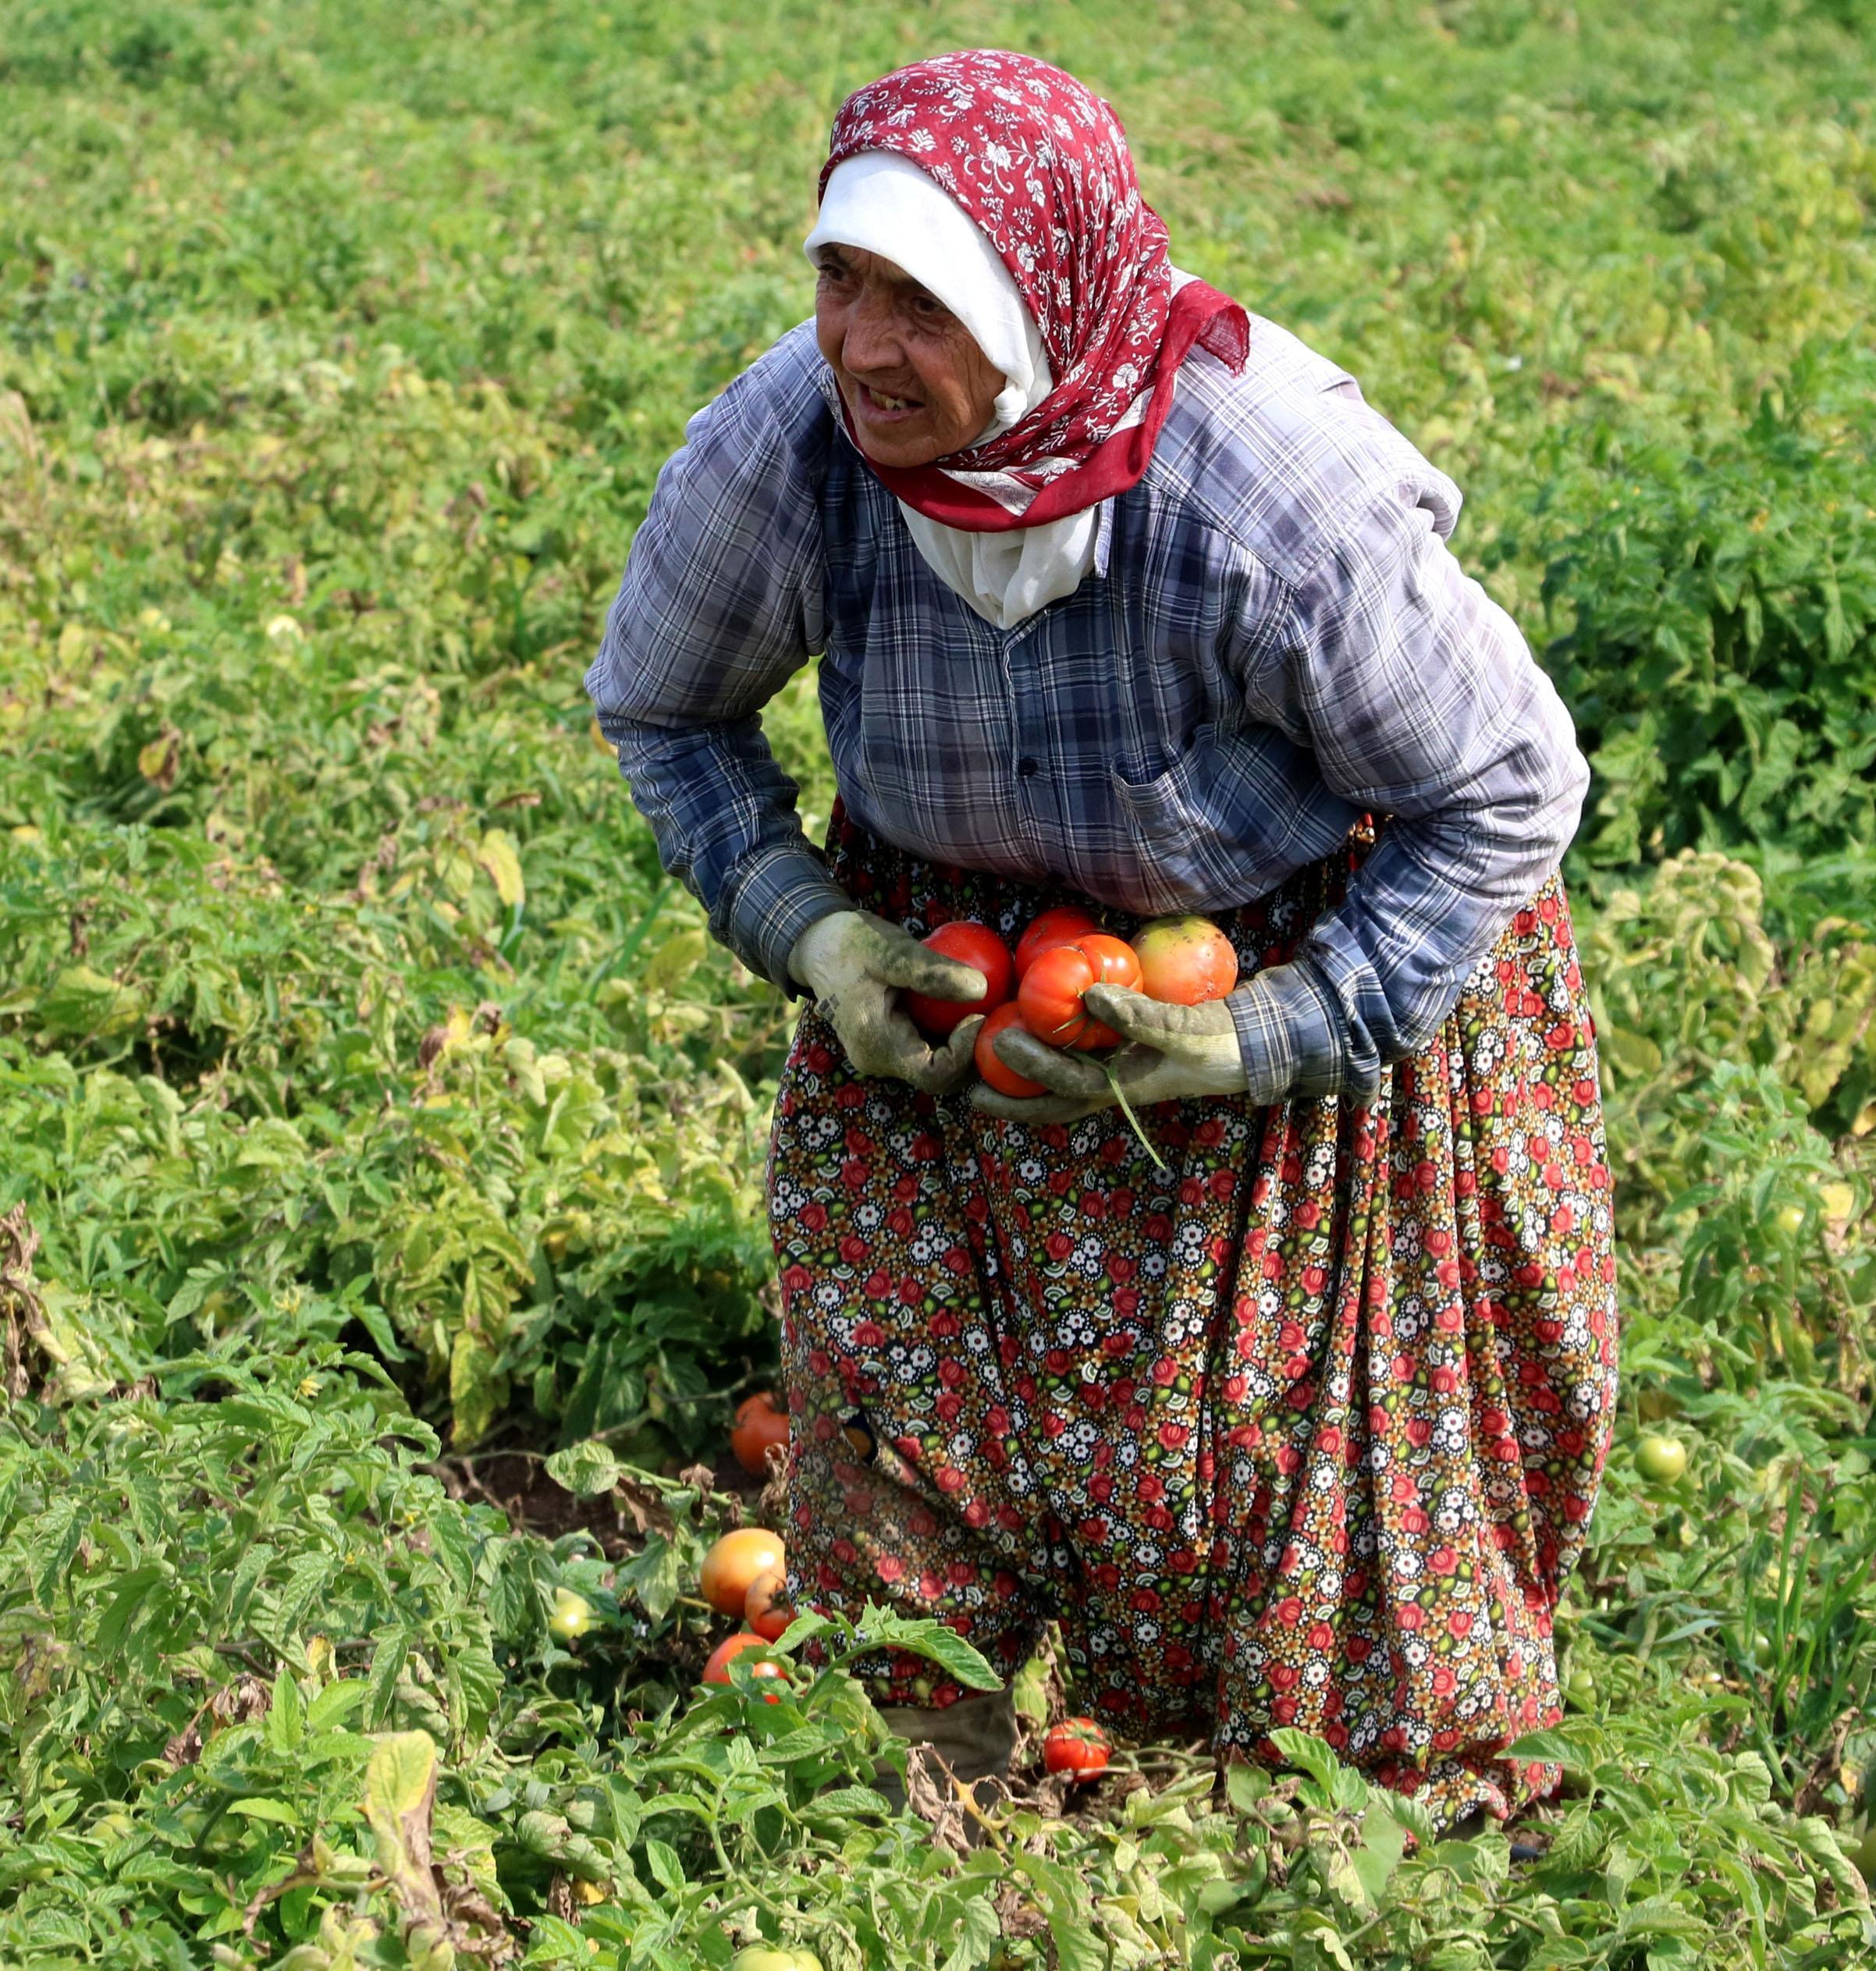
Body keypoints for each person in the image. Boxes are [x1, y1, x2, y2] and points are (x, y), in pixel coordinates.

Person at [585, 48, 1615, 1818]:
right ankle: (932, 1782)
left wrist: (1270, 1029)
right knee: (903, 1370)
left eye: (925, 301)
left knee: (1305, 1436)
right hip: (951, 975)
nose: (861, 348)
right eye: (841, 279)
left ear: (1039, 302)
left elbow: (1511, 790)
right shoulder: (792, 451)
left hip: (1296, 942)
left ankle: (1342, 1811)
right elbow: (661, 708)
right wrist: (813, 933)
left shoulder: (1257, 494)